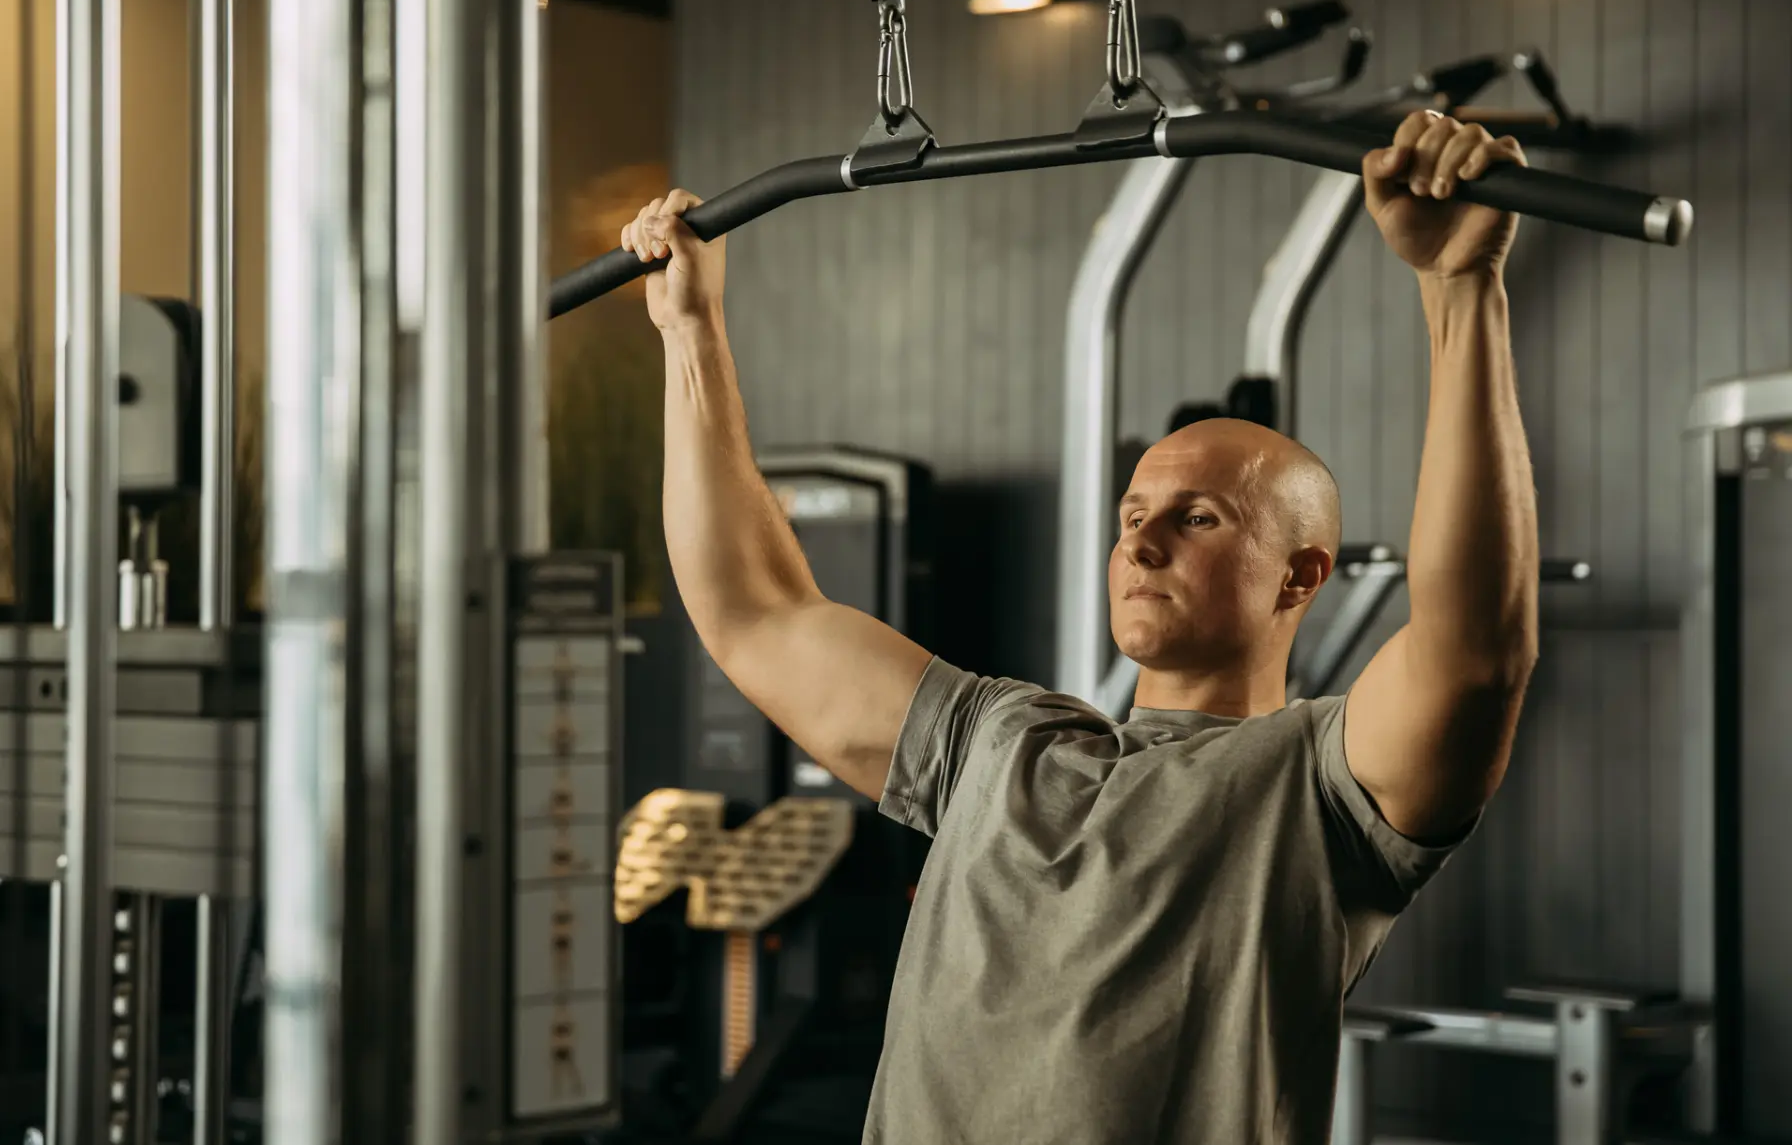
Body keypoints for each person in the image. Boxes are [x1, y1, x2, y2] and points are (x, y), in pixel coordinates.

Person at [619, 110, 1539, 1144]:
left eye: (1196, 520)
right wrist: (689, 331)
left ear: (1301, 576)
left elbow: (1475, 652)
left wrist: (1461, 290)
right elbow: (756, 612)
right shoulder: (993, 742)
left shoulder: (1317, 792)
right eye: (1132, 519)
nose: (1141, 547)